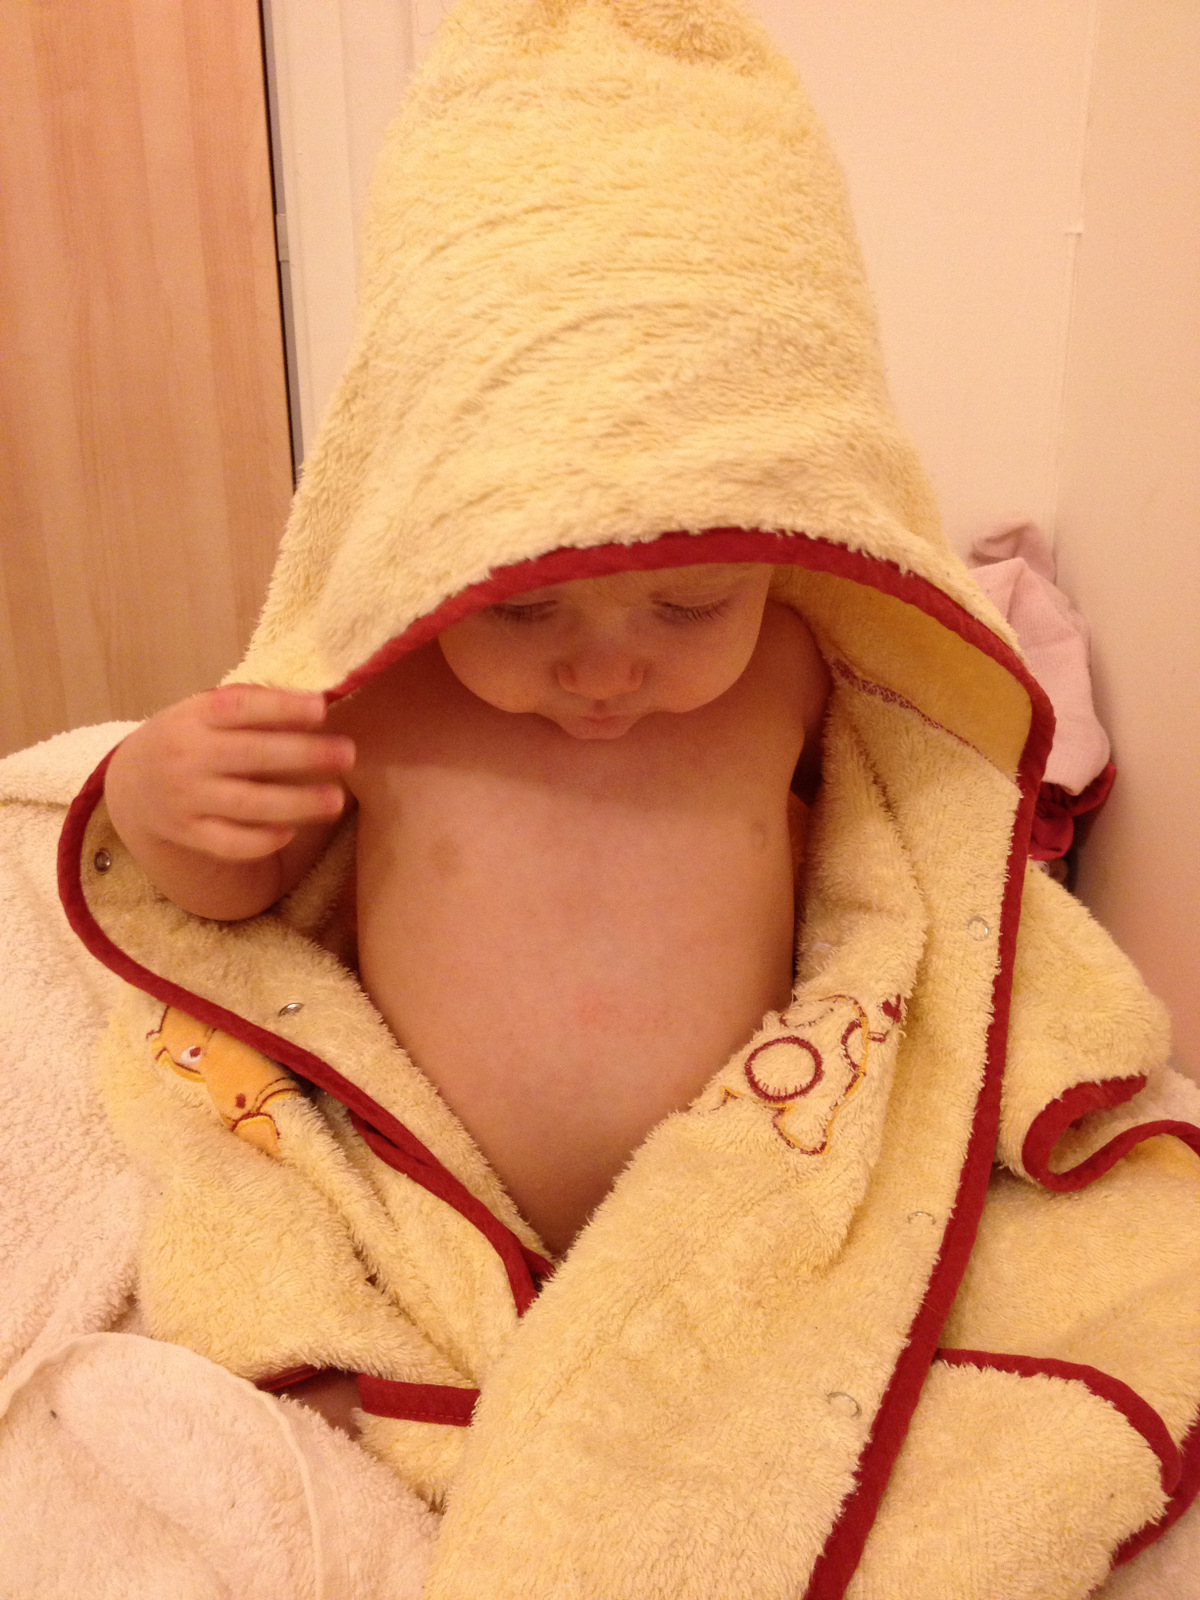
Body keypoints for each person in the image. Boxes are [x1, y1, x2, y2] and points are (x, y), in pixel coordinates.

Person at [54, 1, 1200, 1595]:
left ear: (788, 531)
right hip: (431, 1229)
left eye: (688, 601)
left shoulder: (796, 670)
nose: (606, 670)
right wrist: (164, 806)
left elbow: (922, 886)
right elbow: (239, 913)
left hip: (740, 1221)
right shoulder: (372, 687)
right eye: (524, 607)